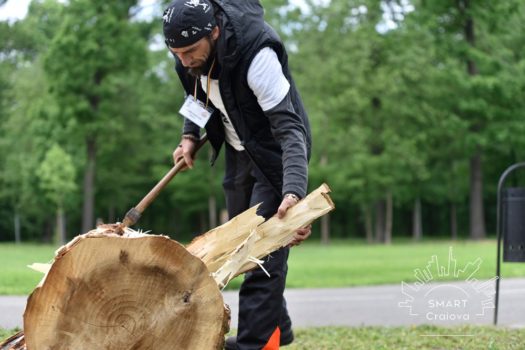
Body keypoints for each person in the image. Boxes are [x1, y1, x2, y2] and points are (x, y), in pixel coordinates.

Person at [163, 0, 312, 349]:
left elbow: (290, 130)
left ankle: (255, 344)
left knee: (258, 253)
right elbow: (196, 93)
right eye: (176, 53)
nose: (183, 61)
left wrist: (294, 191)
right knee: (242, 250)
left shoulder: (256, 54)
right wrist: (188, 136)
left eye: (189, 51)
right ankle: (278, 333)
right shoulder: (187, 54)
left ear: (213, 32)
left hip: (276, 153)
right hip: (238, 152)